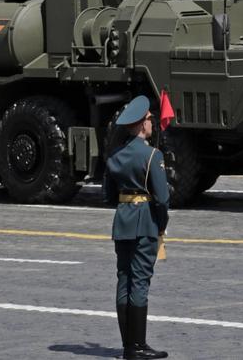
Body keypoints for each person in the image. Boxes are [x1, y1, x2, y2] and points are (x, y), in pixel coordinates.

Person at [103, 95, 170, 360]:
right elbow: (163, 199)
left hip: (123, 221)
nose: (153, 123)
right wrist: (160, 224)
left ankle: (127, 345)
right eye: (151, 119)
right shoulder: (153, 155)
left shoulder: (115, 156)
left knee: (124, 279)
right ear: (142, 124)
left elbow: (108, 196)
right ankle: (138, 347)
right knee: (140, 282)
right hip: (145, 222)